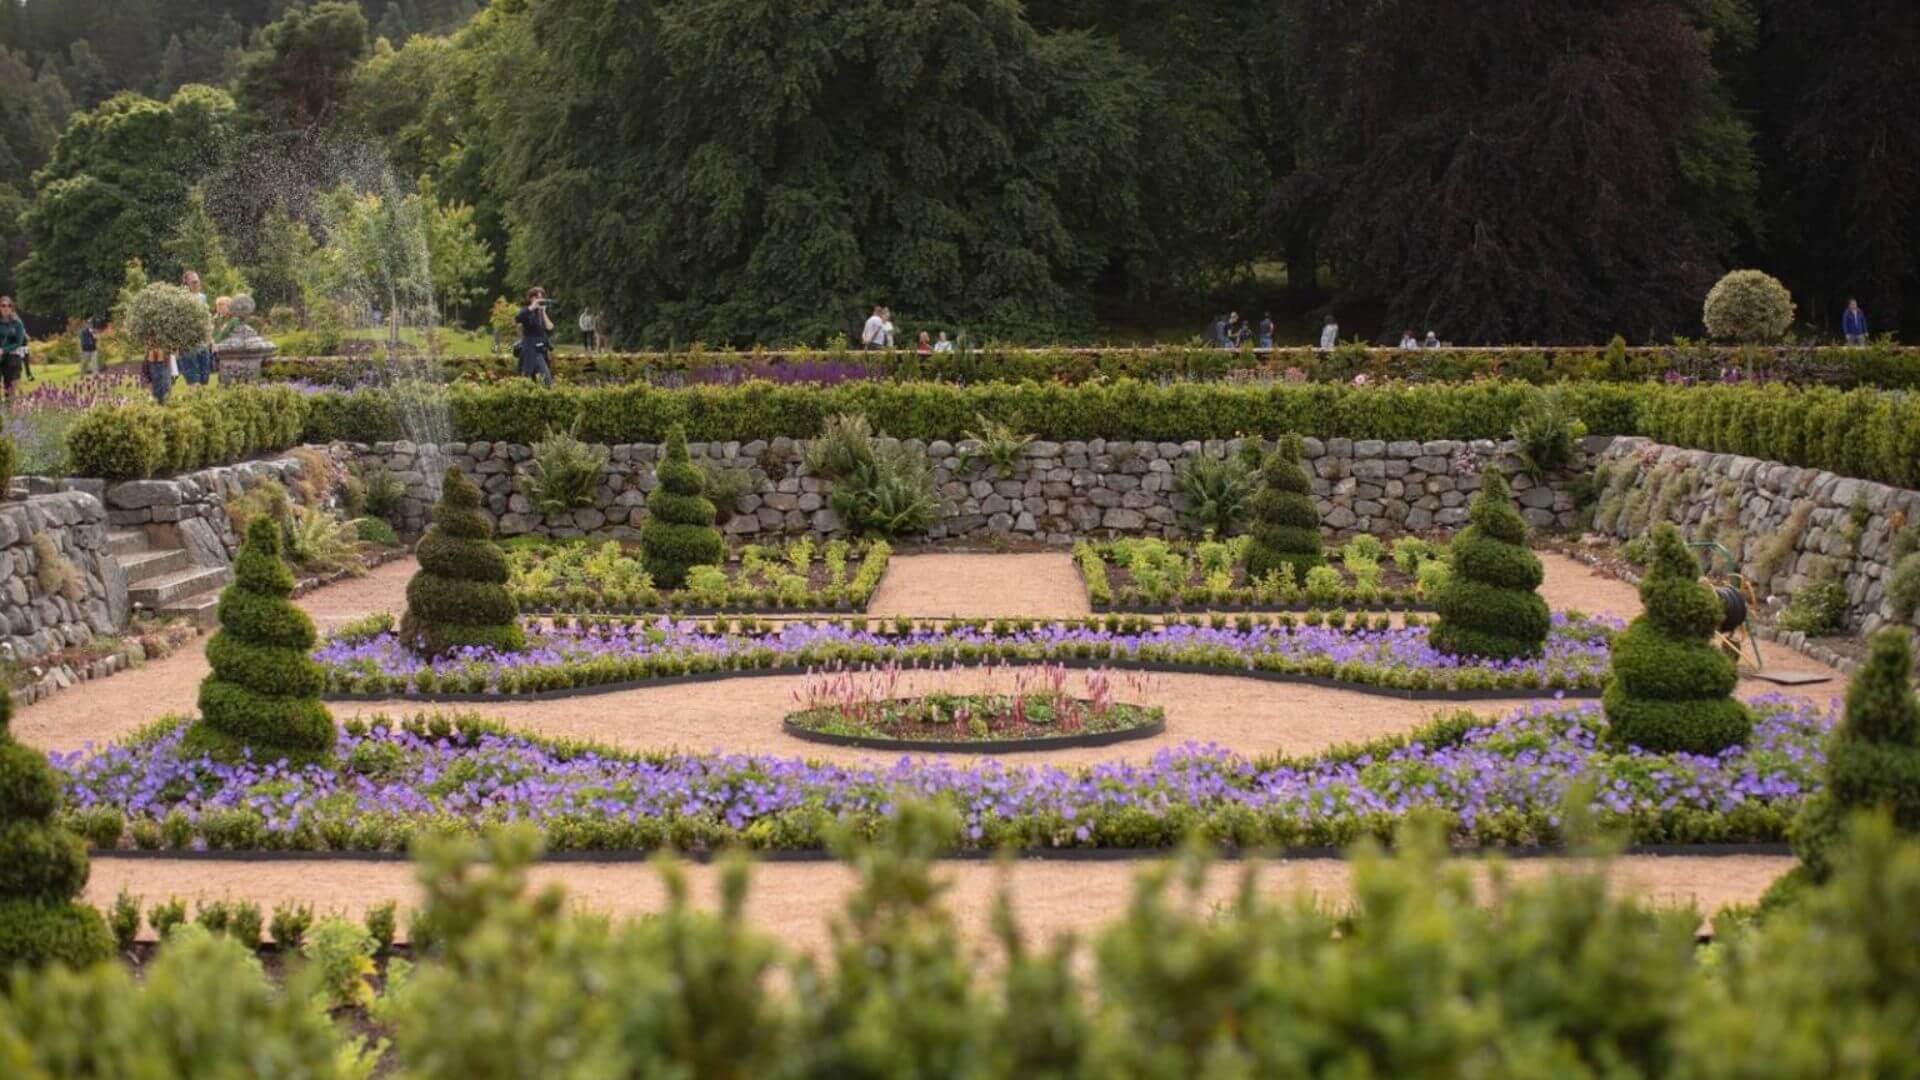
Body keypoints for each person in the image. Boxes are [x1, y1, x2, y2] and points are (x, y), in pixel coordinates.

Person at [515, 287, 556, 386]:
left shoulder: (541, 313)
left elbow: (550, 329)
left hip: (541, 351)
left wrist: (543, 312)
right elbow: (518, 318)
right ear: (532, 298)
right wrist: (532, 307)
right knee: (545, 380)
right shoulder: (527, 311)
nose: (540, 300)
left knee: (533, 381)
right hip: (530, 351)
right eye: (538, 297)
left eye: (542, 298)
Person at [0, 296, 28, 403]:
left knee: (10, 390)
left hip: (12, 358)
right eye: (3, 305)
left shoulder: (17, 323)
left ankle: (10, 415)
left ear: (12, 308)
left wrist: (3, 350)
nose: (6, 308)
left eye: (9, 305)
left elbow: (19, 342)